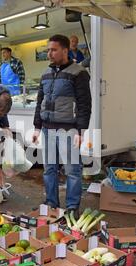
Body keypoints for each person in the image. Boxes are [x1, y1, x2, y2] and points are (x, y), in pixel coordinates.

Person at [32, 34, 92, 219]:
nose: (49, 53)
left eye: (53, 50)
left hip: (69, 130)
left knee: (73, 170)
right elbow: (39, 101)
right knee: (49, 168)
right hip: (47, 129)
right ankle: (51, 203)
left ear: (65, 51)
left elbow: (84, 104)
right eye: (48, 50)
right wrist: (36, 126)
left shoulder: (78, 73)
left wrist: (81, 131)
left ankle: (72, 207)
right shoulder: (46, 74)